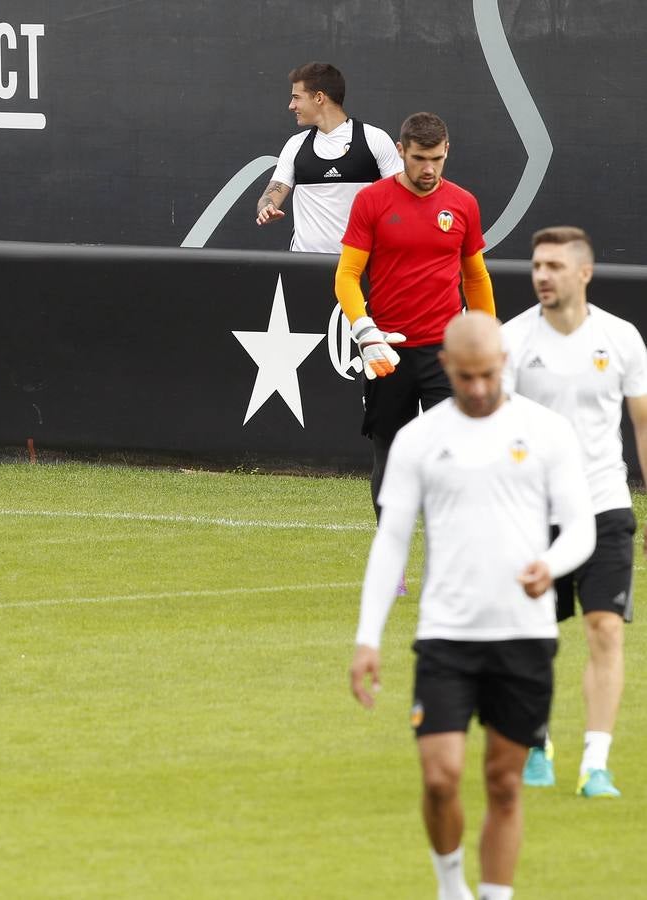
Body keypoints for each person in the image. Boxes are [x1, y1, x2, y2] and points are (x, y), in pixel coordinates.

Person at [351, 312, 594, 900]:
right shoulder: (419, 439)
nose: (479, 388)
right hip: (446, 635)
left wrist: (551, 566)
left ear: (502, 366)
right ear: (447, 369)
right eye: (466, 377)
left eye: (488, 375)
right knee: (440, 778)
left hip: (524, 636)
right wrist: (367, 638)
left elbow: (580, 528)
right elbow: (391, 540)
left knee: (504, 783)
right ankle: (452, 886)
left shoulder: (546, 432)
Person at [502, 226, 647, 798]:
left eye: (555, 266)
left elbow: (642, 425)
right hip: (534, 515)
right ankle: (537, 741)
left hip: (605, 506)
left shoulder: (622, 339)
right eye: (538, 265)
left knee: (605, 628)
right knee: (535, 637)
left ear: (583, 273)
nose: (543, 275)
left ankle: (596, 763)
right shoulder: (511, 341)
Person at [335, 111, 496, 517]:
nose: (429, 168)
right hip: (388, 350)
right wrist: (365, 331)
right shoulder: (371, 200)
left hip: (447, 351)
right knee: (390, 456)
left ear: (447, 152)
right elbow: (347, 276)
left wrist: (488, 338)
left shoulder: (463, 203)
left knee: (458, 456)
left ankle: (454, 562)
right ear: (400, 151)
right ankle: (394, 574)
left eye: (437, 159)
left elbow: (475, 277)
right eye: (419, 158)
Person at [254, 62, 402, 253]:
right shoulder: (295, 145)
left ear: (319, 98)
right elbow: (270, 196)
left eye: (296, 98)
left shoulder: (374, 139)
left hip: (360, 266)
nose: (291, 106)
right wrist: (267, 207)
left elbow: (403, 198)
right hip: (303, 267)